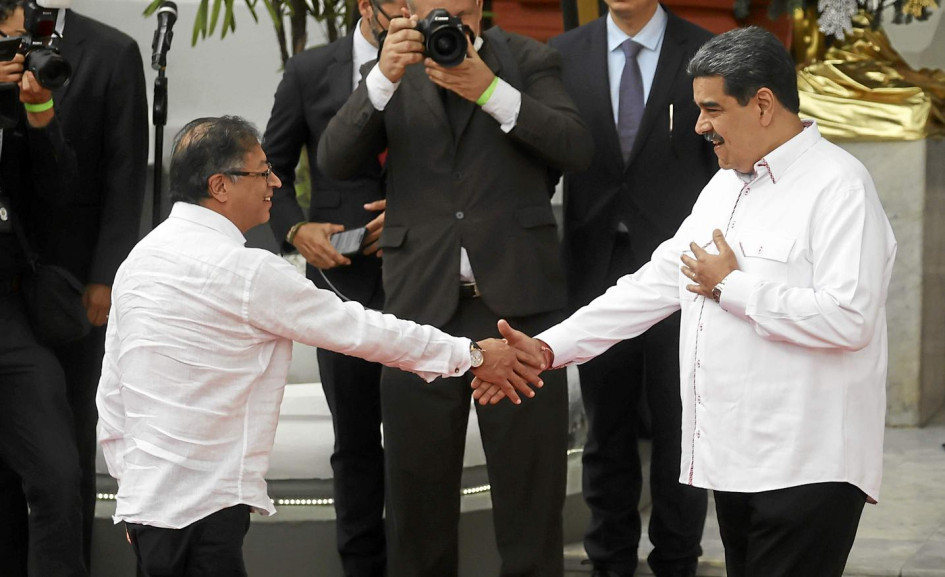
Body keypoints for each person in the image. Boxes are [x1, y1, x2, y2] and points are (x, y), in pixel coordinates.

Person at [475, 26, 897, 577]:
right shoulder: (725, 186)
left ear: (762, 104)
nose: (699, 126)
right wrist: (548, 349)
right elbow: (652, 285)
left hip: (810, 466)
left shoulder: (840, 186)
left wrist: (732, 287)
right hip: (739, 463)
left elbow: (850, 318)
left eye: (712, 109)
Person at [96, 115, 546, 577]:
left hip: (150, 512)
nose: (275, 183)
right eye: (262, 172)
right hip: (203, 512)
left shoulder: (138, 260)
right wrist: (471, 355)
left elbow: (112, 392)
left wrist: (133, 493)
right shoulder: (246, 272)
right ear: (220, 185)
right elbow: (360, 330)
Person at [318, 0, 594, 574]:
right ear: (406, 8)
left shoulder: (528, 58)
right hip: (420, 306)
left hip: (518, 307)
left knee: (531, 503)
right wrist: (382, 77)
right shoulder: (393, 65)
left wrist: (488, 88)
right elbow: (335, 160)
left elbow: (574, 146)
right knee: (416, 507)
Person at [548, 1, 715, 575]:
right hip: (595, 264)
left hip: (684, 269)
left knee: (681, 422)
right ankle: (608, 557)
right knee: (605, 428)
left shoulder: (704, 50)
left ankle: (678, 556)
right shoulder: (563, 54)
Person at [0, 2, 149, 571]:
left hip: (67, 284)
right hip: (12, 283)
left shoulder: (112, 51)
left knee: (67, 448)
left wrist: (107, 275)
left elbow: (123, 172)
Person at [263, 1, 403, 573]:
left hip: (424, 270)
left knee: (421, 432)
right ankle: (362, 565)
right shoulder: (309, 69)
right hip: (338, 277)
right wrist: (296, 230)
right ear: (366, 6)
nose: (408, 13)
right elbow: (271, 165)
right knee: (355, 438)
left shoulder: (438, 58)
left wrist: (416, 213)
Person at [0, 3, 86, 575]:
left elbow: (59, 197)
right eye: (4, 42)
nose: (14, 54)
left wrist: (39, 112)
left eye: (18, 42)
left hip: (10, 311)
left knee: (57, 475)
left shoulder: (12, 106)